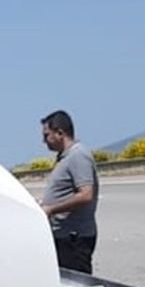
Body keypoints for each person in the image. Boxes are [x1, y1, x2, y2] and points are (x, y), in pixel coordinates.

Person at [39, 110, 100, 273]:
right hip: (63, 236)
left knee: (77, 283)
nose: (44, 141)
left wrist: (51, 209)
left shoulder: (78, 155)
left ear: (60, 133)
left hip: (74, 238)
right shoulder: (65, 157)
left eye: (46, 135)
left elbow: (86, 194)